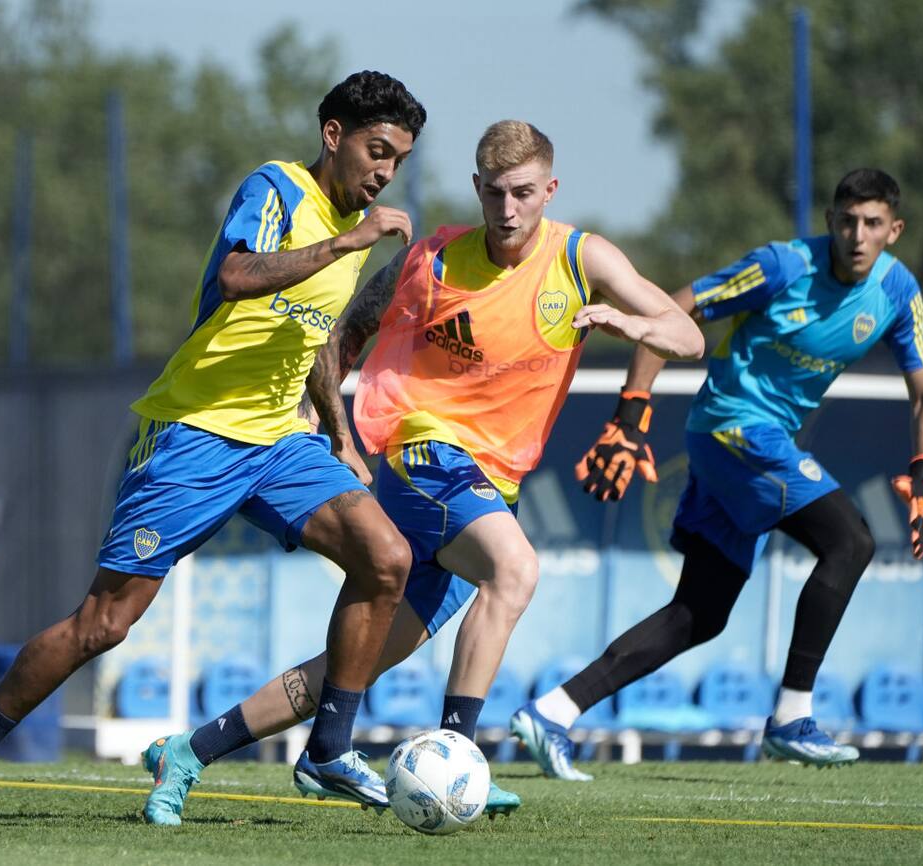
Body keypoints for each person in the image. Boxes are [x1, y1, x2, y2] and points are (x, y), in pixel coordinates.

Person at [140, 120, 703, 823]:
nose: (507, 209)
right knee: (515, 570)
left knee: (353, 664)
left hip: (489, 481)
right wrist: (326, 424)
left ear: (550, 190)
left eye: (523, 193)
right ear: (476, 188)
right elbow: (346, 331)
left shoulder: (583, 258)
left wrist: (636, 326)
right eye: (494, 192)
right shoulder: (434, 257)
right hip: (422, 456)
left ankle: (190, 750)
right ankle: (458, 754)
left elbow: (689, 333)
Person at [0, 70, 428, 828]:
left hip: (278, 439)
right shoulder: (278, 190)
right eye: (376, 150)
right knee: (103, 625)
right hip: (195, 431)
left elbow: (313, 342)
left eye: (398, 159)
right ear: (334, 136)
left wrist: (338, 430)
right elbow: (234, 277)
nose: (385, 171)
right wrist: (343, 242)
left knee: (386, 558)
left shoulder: (358, 228)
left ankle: (327, 748)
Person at [512, 167, 923, 780]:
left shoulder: (898, 293)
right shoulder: (782, 266)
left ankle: (553, 710)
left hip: (751, 444)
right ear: (829, 222)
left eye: (872, 224)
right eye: (847, 220)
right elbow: (673, 310)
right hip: (734, 429)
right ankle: (792, 716)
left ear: (894, 230)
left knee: (699, 614)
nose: (857, 235)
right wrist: (631, 414)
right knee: (852, 541)